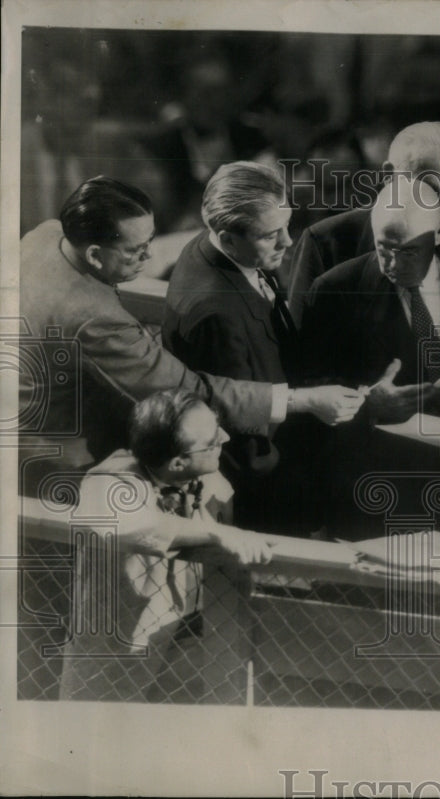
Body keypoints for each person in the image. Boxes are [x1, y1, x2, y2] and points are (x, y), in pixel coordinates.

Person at [17, 176, 364, 497]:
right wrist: (303, 400)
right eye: (136, 251)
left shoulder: (49, 234)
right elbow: (191, 391)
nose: (150, 256)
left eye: (150, 240)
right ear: (94, 253)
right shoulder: (92, 318)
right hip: (58, 462)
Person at [299, 176, 440, 539]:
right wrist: (369, 406)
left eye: (409, 251)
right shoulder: (336, 290)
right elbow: (309, 390)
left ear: (439, 233)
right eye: (384, 249)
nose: (393, 264)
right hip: (374, 499)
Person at [58, 389, 274, 702]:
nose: (225, 439)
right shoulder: (110, 480)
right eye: (213, 441)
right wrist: (214, 534)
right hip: (117, 651)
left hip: (190, 641)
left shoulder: (212, 483)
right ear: (176, 462)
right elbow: (130, 523)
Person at [162, 162, 315, 532]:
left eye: (287, 226)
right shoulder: (215, 313)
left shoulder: (214, 247)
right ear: (228, 238)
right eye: (271, 236)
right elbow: (246, 443)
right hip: (258, 494)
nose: (288, 242)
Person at [284, 121, 440, 325]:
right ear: (389, 174)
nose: (429, 200)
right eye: (420, 184)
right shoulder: (328, 242)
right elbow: (302, 351)